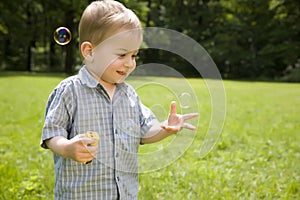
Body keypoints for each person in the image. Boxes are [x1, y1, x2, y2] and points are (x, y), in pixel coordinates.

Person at [41, 0, 198, 199]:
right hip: (81, 194)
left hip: (123, 194)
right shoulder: (70, 91)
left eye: (134, 55)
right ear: (89, 51)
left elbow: (144, 132)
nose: (130, 63)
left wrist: (165, 128)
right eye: (122, 54)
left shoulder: (129, 95)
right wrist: (67, 148)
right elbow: (52, 134)